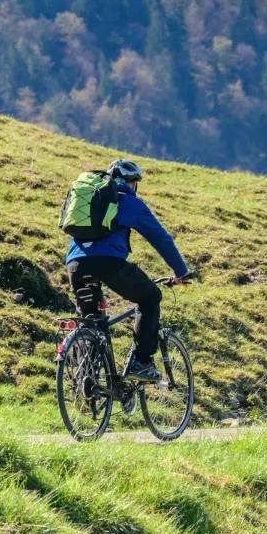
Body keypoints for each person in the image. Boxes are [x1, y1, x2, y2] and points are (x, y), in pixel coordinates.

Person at [65, 159, 191, 382]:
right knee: (150, 297)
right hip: (109, 263)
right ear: (132, 184)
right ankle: (141, 362)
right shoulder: (127, 202)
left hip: (75, 266)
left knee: (93, 322)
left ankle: (89, 386)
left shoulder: (92, 202)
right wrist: (181, 271)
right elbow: (161, 239)